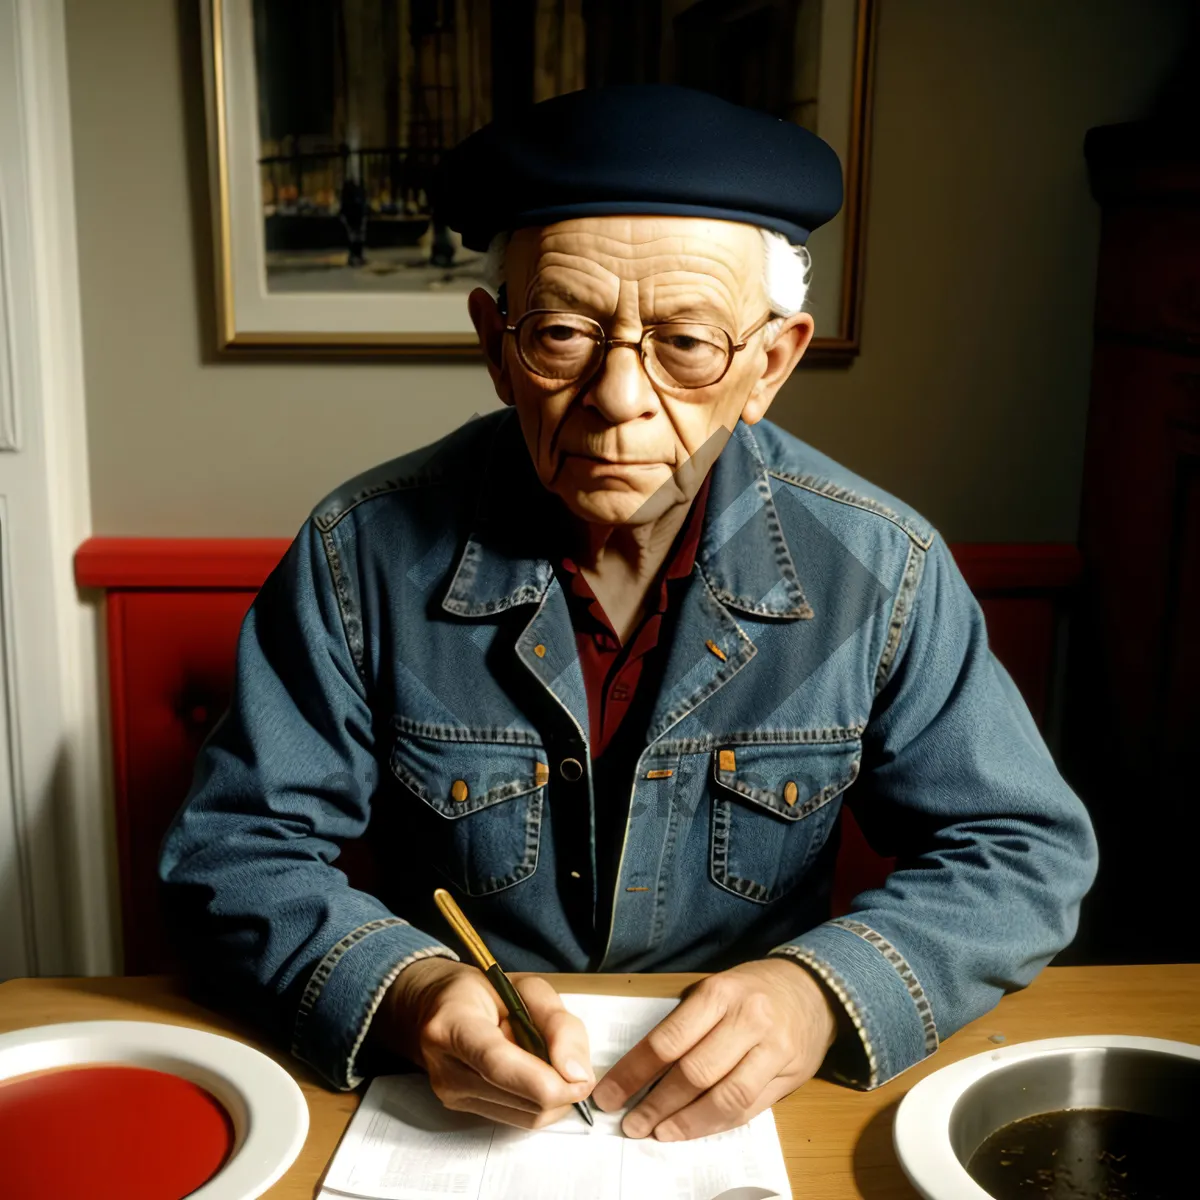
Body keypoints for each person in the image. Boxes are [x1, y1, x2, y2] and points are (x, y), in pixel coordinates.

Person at [160, 84, 1097, 1143]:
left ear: (770, 364)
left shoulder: (881, 567)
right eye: (561, 331)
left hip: (752, 1123)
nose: (617, 395)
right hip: (451, 1111)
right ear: (495, 344)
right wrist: (410, 994)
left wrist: (819, 994)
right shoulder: (358, 551)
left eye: (687, 343)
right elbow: (237, 851)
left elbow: (1021, 849)